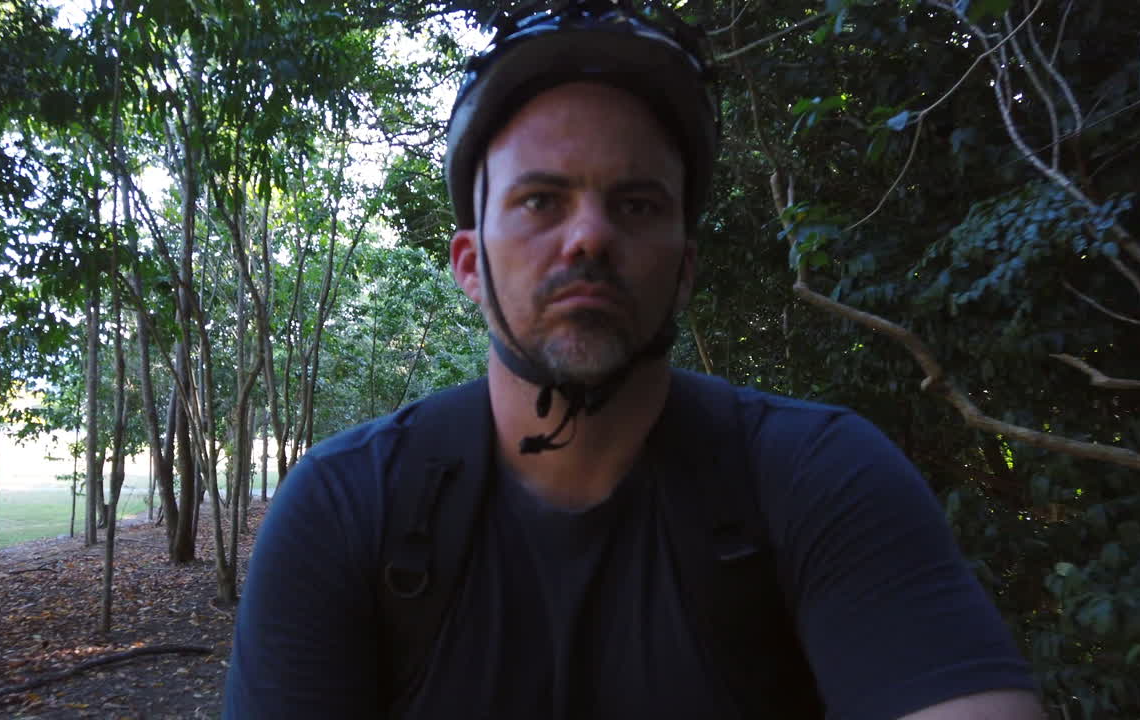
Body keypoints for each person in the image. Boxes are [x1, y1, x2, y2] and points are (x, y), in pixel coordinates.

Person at [224, 2, 1044, 718]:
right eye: (541, 200)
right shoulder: (346, 509)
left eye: (637, 203)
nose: (588, 236)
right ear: (470, 265)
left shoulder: (820, 479)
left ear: (684, 268)